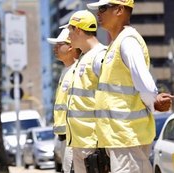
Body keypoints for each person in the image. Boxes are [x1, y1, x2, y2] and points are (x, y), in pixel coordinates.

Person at [86, 1, 174, 172]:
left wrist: (154, 101)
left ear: (119, 10)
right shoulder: (116, 43)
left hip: (128, 137)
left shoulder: (128, 41)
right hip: (120, 137)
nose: (98, 13)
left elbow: (146, 84)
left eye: (103, 8)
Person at [60, 10, 107, 173]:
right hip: (79, 142)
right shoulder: (83, 58)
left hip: (93, 143)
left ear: (78, 30)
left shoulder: (100, 57)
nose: (68, 36)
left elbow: (107, 98)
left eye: (70, 31)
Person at [47, 28, 81, 173]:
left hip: (75, 137)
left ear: (71, 46)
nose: (55, 48)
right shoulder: (66, 70)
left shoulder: (79, 69)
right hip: (66, 138)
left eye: (59, 44)